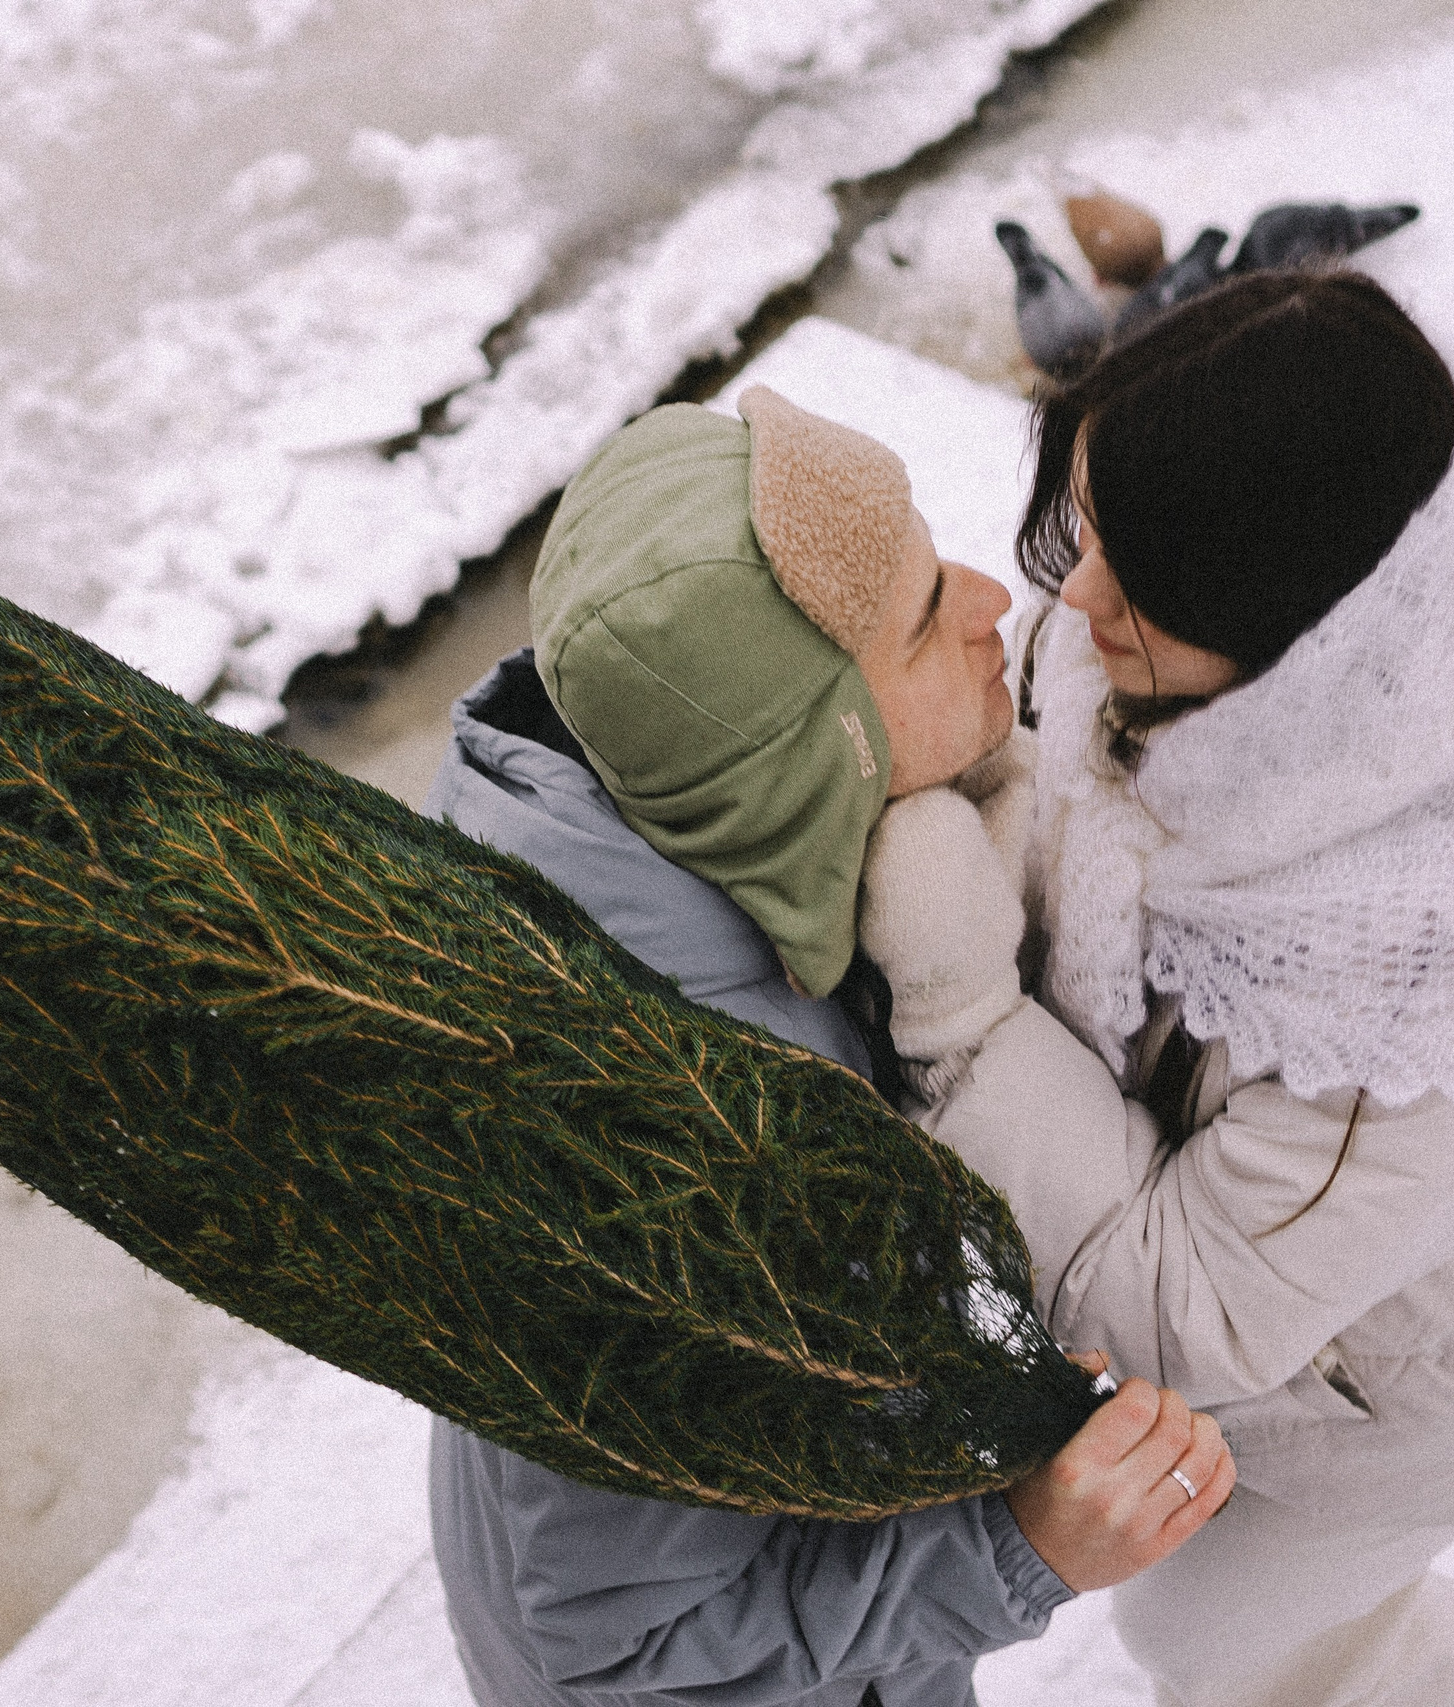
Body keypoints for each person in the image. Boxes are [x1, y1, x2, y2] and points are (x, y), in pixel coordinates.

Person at [854, 270, 1454, 1704]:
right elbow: (1052, 748)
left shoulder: (1445, 974)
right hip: (1305, 1312)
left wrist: (962, 1018)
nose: (1071, 592)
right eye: (1087, 525)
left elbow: (1184, 1306)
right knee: (1241, 1648)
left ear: (1305, 636)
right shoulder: (1191, 660)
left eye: (1139, 574)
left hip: (1404, 1387)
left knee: (1234, 1651)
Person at [424, 389, 1233, 1707]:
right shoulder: (661, 1155)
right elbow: (622, 1647)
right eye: (923, 619)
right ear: (807, 758)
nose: (990, 602)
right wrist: (1014, 1551)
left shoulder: (677, 852)